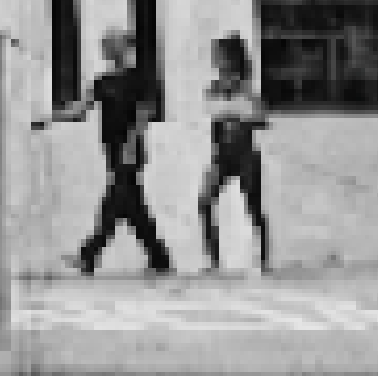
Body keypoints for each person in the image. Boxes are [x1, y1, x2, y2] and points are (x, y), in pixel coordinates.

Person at [46, 28, 173, 275]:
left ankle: (88, 255)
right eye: (103, 44)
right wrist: (50, 118)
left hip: (129, 151)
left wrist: (131, 144)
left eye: (108, 44)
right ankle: (160, 259)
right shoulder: (102, 82)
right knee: (133, 210)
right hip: (113, 152)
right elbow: (79, 111)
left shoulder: (140, 79)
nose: (104, 49)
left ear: (122, 47)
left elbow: (144, 114)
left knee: (112, 204)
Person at [197, 33, 271, 273]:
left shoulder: (245, 86)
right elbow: (213, 119)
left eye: (219, 55)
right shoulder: (214, 87)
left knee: (253, 206)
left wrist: (241, 113)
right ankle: (213, 260)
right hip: (222, 155)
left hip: (245, 154)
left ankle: (263, 259)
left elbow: (261, 119)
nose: (215, 60)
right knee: (204, 201)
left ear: (230, 58)